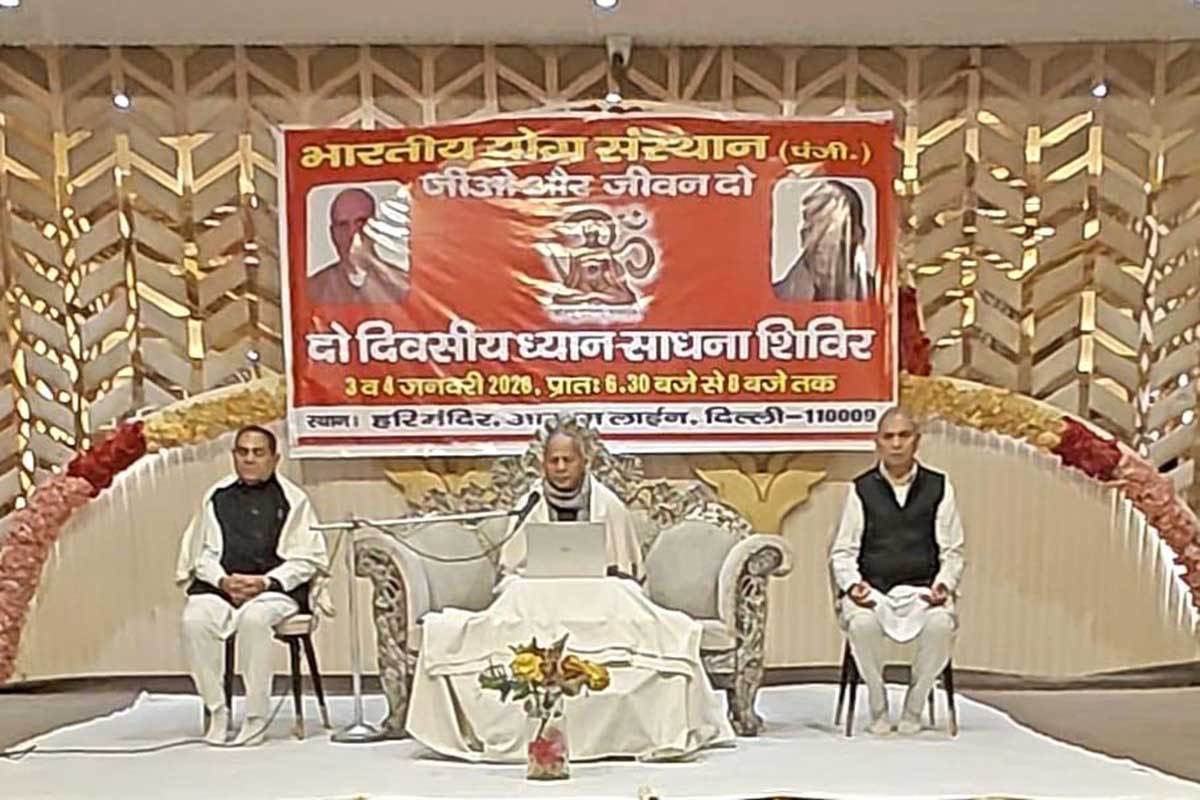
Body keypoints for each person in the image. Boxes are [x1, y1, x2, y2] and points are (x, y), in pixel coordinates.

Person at [175, 425, 328, 746]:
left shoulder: (293, 500)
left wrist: (265, 582)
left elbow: (306, 559)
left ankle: (256, 716)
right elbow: (202, 554)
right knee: (194, 620)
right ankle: (217, 710)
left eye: (258, 453)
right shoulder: (217, 496)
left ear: (275, 458)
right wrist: (222, 580)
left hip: (275, 590)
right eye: (242, 452)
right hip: (223, 587)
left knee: (254, 619)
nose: (249, 459)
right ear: (234, 456)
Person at [829, 407, 965, 735]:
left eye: (904, 436)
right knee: (861, 625)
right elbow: (843, 552)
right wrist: (853, 585)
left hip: (923, 592)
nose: (896, 444)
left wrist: (944, 584)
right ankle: (877, 704)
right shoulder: (861, 488)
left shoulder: (939, 486)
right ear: (877, 442)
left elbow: (953, 551)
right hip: (873, 593)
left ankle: (914, 706)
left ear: (917, 441)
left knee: (941, 626)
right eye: (888, 436)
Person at [499, 421, 643, 579]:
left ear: (584, 462)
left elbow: (628, 571)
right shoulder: (529, 506)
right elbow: (510, 571)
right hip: (542, 589)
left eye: (567, 460)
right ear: (544, 465)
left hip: (597, 589)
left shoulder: (609, 505)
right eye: (554, 461)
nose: (560, 468)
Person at [773, 179, 874, 302]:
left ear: (858, 235)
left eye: (830, 229)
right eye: (813, 228)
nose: (820, 241)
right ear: (803, 235)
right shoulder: (777, 297)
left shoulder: (880, 295)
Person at [308, 186, 410, 304]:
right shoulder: (313, 289)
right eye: (343, 225)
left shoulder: (402, 286)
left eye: (361, 222)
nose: (352, 233)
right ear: (333, 233)